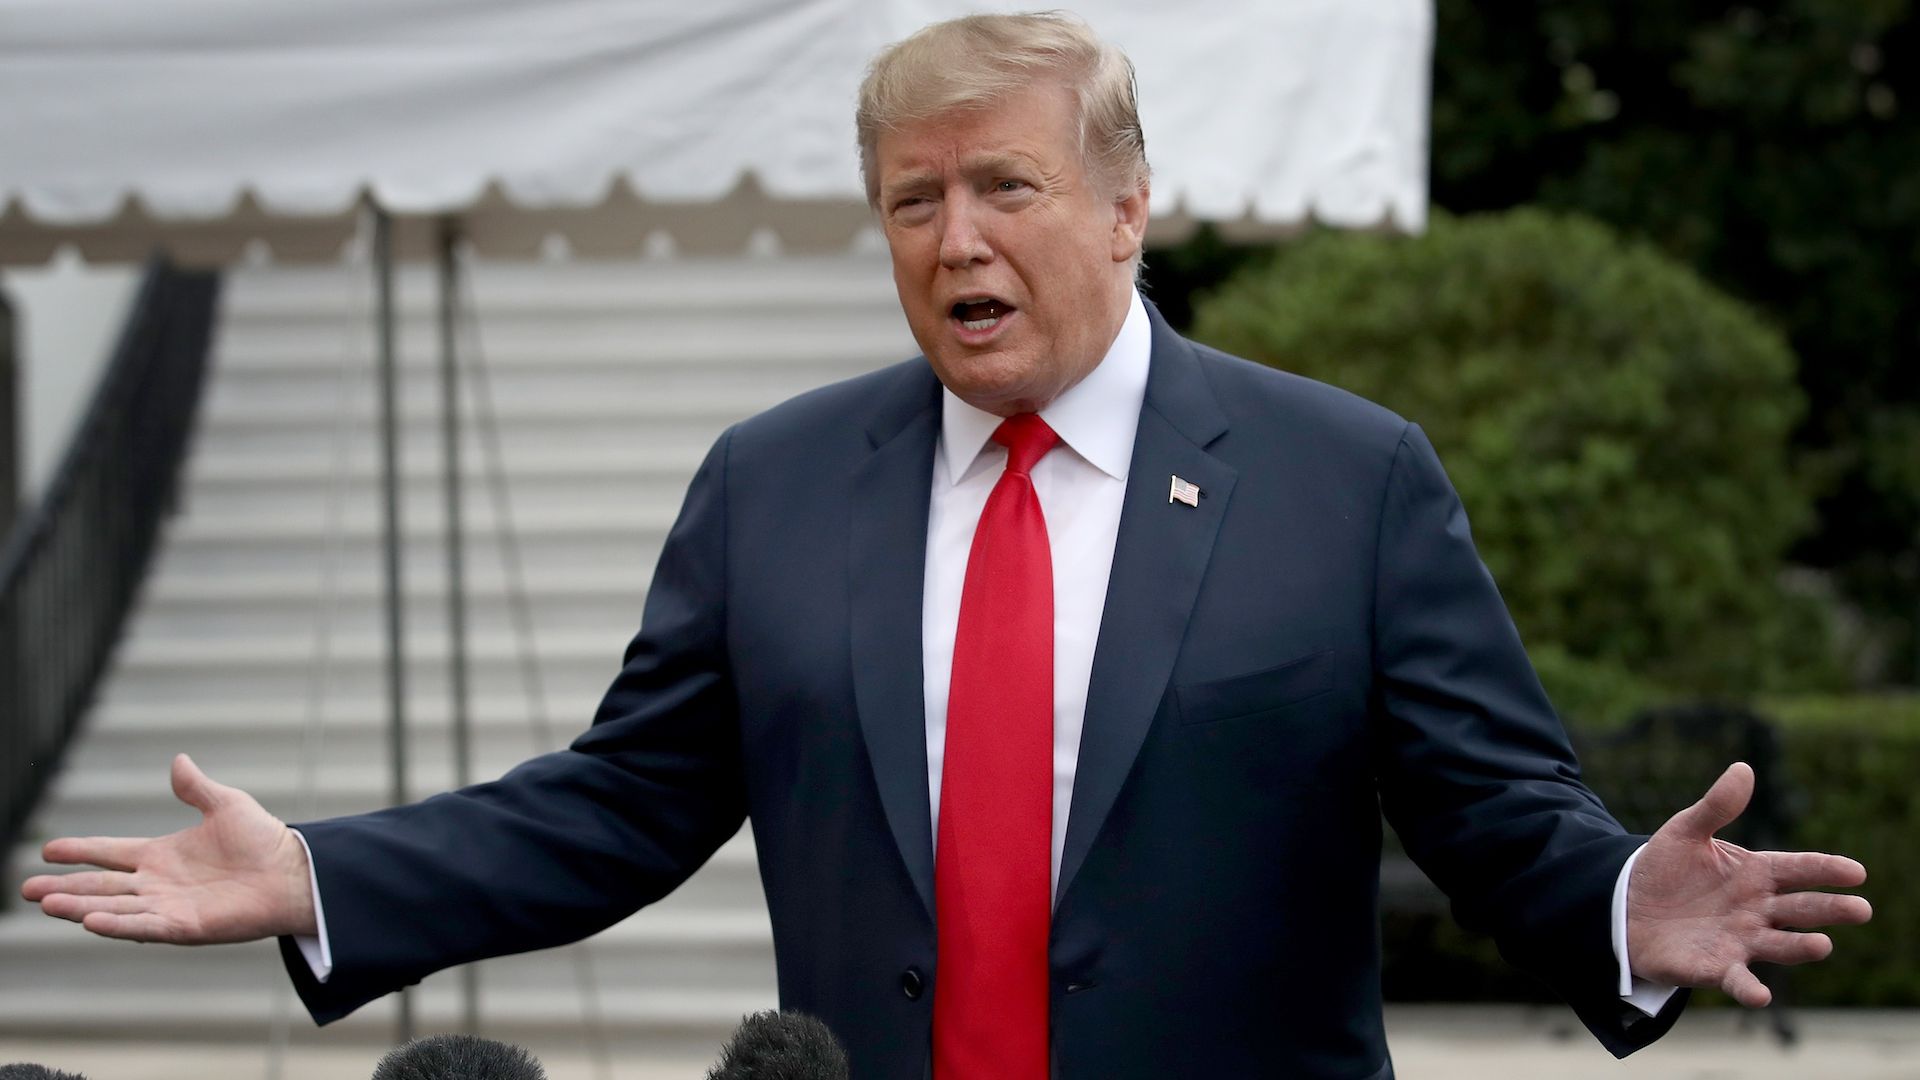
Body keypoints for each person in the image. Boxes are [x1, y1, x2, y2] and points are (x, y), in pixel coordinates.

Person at [20, 13, 1870, 1080]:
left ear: (1130, 208)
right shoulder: (777, 482)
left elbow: (1493, 806)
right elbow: (621, 804)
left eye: (1008, 186)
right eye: (915, 199)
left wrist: (1617, 901)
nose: (956, 235)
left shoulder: (1346, 476)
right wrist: (326, 877)